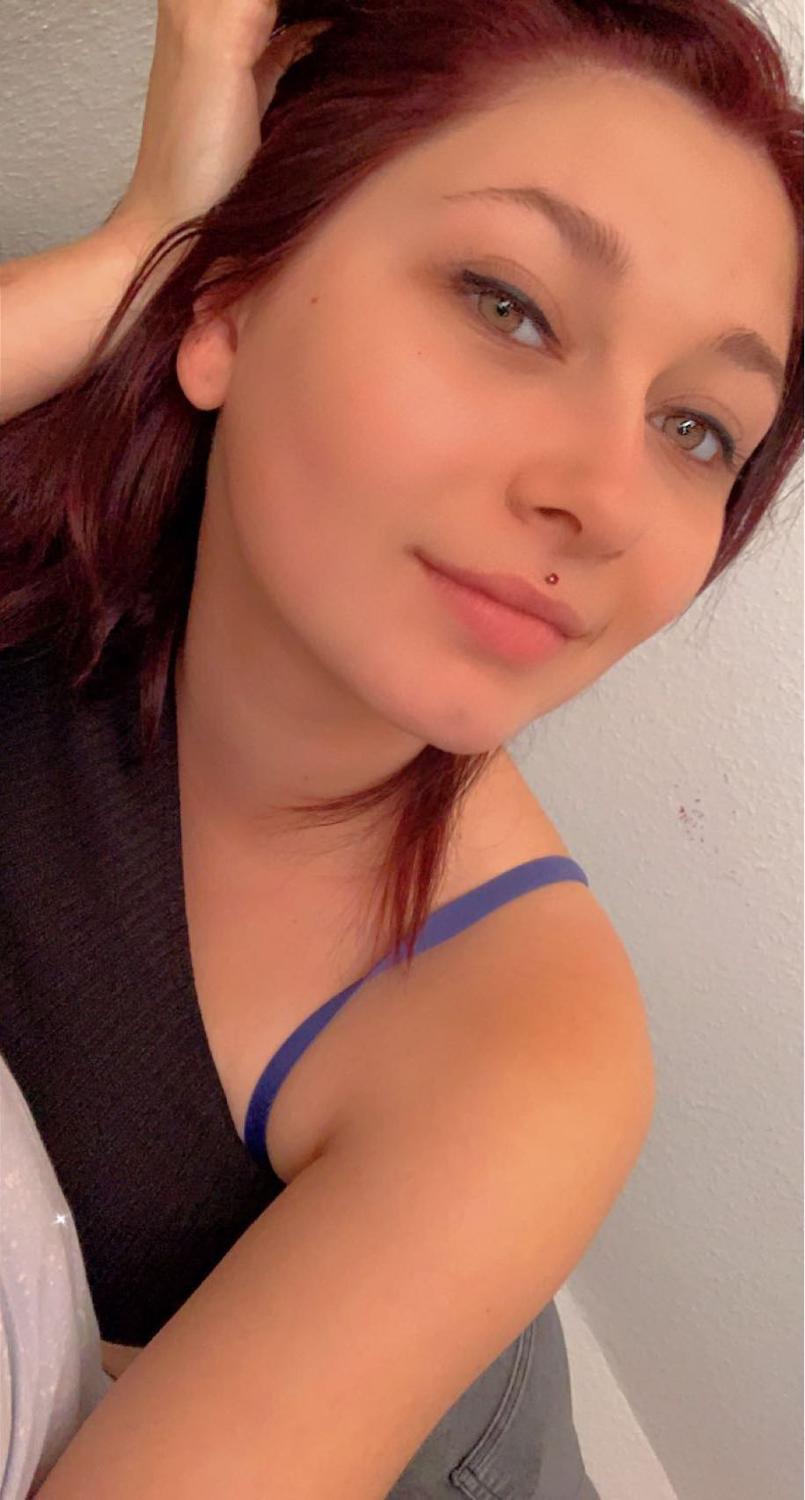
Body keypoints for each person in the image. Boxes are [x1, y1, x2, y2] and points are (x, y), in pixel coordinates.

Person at [0, 0, 801, 1494]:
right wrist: (142, 252)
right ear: (233, 305)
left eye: (698, 427)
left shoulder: (524, 1043)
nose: (604, 497)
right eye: (509, 304)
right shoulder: (43, 521)